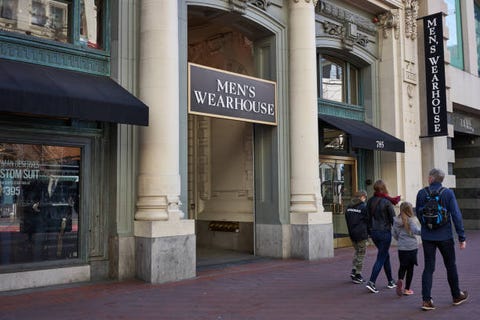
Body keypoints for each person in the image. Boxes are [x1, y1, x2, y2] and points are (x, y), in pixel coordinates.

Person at [416, 168, 468, 311]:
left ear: (431, 178)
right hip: (445, 236)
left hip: (427, 237)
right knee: (450, 266)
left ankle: (426, 300)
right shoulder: (448, 193)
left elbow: (418, 213)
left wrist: (427, 227)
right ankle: (456, 296)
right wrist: (461, 236)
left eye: (428, 176)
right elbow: (456, 215)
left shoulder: (421, 193)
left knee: (428, 268)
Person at [365, 179, 400, 293]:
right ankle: (372, 281)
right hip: (384, 232)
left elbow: (367, 217)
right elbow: (393, 219)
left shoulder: (370, 201)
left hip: (374, 233)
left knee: (385, 255)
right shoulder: (387, 202)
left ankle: (390, 281)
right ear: (384, 188)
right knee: (381, 257)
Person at [392, 202, 421, 296]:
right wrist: (425, 231)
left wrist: (400, 240)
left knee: (402, 266)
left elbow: (394, 234)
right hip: (412, 247)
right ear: (410, 210)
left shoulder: (396, 220)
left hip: (401, 247)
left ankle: (400, 279)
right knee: (410, 268)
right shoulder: (411, 220)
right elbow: (416, 231)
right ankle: (407, 289)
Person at [345, 190, 369, 284]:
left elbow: (347, 219)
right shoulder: (363, 207)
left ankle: (354, 270)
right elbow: (368, 220)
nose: (365, 199)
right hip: (361, 233)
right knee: (361, 253)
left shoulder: (349, 207)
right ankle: (358, 274)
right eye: (365, 197)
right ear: (362, 197)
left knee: (357, 251)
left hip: (352, 233)